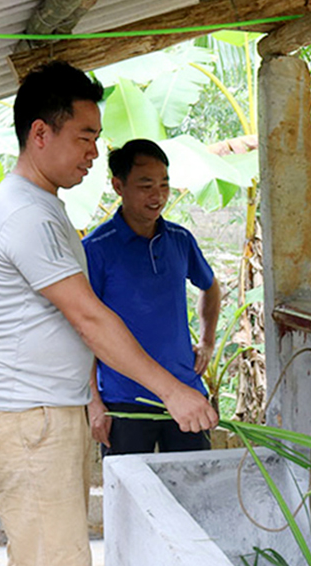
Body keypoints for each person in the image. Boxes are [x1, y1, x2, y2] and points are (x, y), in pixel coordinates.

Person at [0, 61, 217, 566]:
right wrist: (175, 391)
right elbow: (91, 320)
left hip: (35, 414)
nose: (93, 152)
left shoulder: (39, 205)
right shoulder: (28, 215)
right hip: (32, 422)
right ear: (40, 134)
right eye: (83, 137)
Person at [83, 139, 221, 455]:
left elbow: (210, 287)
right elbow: (85, 328)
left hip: (186, 393)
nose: (157, 195)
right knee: (131, 498)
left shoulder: (180, 240)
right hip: (124, 401)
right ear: (118, 185)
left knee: (195, 493)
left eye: (164, 184)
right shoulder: (96, 249)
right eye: (146, 185)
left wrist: (208, 341)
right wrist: (94, 400)